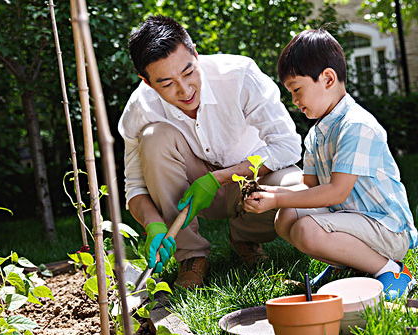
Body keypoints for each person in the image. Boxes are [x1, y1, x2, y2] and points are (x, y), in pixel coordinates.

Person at [118, 15, 303, 288]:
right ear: (146, 82)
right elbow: (134, 187)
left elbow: (287, 145)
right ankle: (190, 257)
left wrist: (220, 178)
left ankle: (244, 237)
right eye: (167, 84)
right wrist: (152, 223)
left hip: (252, 182)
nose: (184, 89)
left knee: (298, 190)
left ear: (195, 53)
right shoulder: (140, 108)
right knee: (154, 137)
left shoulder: (239, 75)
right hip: (187, 195)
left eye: (188, 72)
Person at [243, 29, 418, 300]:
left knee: (307, 229)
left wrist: (276, 197)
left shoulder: (356, 125)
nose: (294, 101)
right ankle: (342, 265)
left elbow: (337, 193)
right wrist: (274, 198)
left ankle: (392, 271)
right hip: (351, 221)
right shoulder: (316, 134)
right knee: (287, 217)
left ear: (327, 78)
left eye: (297, 89)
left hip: (387, 229)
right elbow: (309, 190)